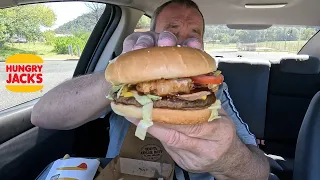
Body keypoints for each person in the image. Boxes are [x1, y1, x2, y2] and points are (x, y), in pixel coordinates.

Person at [31, 0, 270, 179]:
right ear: (152, 36)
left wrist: (228, 159)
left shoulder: (211, 91)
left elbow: (259, 171)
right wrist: (121, 72)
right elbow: (42, 115)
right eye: (172, 31)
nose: (181, 43)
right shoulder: (121, 81)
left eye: (194, 34)